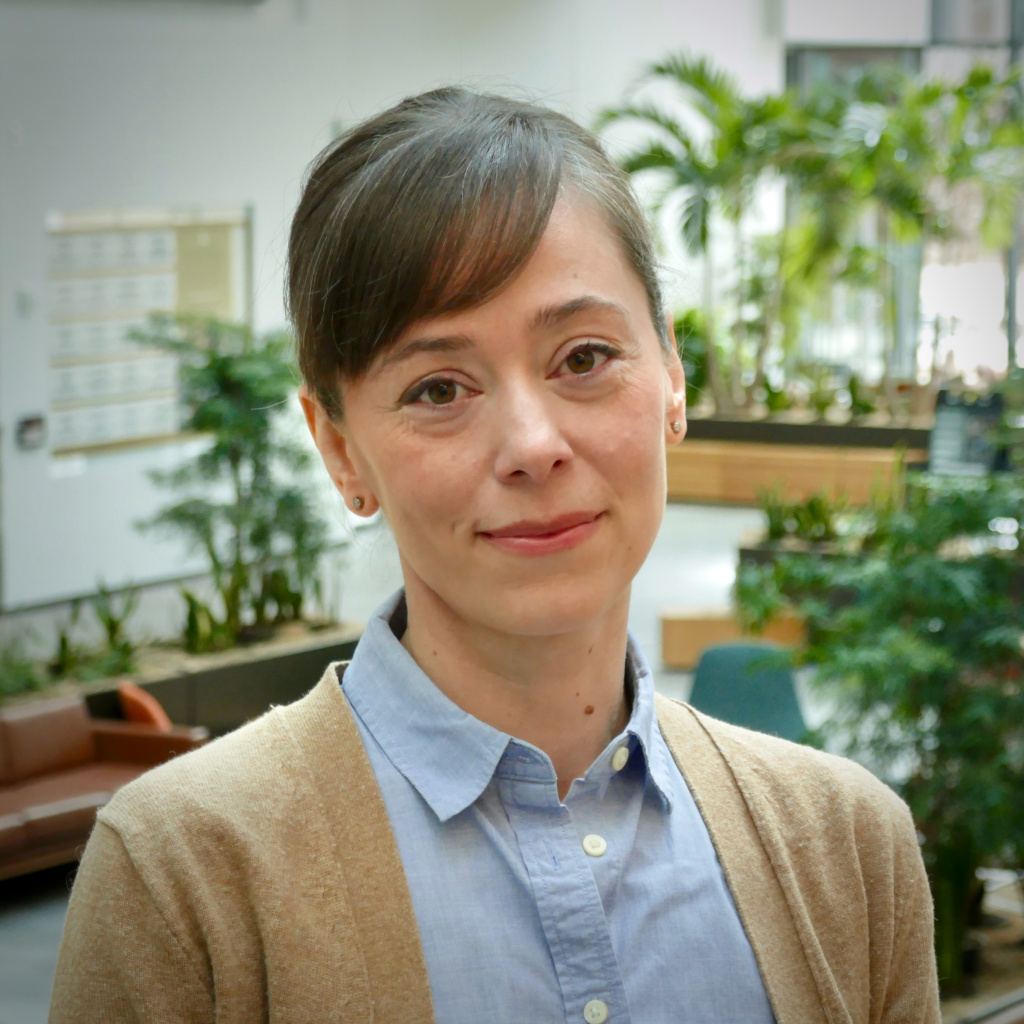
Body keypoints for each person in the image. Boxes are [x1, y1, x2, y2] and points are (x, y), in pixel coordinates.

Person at [50, 88, 940, 1024]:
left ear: (673, 374)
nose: (532, 444)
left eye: (584, 358)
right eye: (440, 388)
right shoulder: (185, 876)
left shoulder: (848, 848)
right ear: (340, 449)